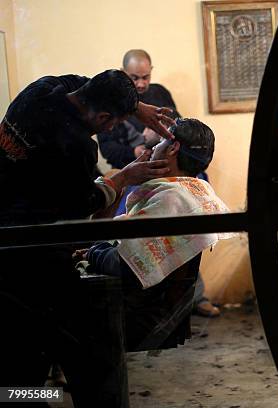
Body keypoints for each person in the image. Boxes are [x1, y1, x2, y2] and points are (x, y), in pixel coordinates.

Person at [0, 69, 174, 406]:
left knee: (17, 357)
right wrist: (122, 178)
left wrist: (136, 106)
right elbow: (85, 204)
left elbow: (85, 79)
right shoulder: (76, 148)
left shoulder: (42, 88)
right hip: (25, 254)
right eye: (112, 123)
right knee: (37, 359)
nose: (109, 130)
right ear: (103, 116)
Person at [84, 118, 233, 348]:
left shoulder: (171, 197)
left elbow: (122, 265)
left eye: (161, 140)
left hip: (139, 311)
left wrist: (91, 253)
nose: (153, 147)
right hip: (153, 304)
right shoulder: (197, 190)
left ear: (173, 147)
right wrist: (123, 180)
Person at [98, 49, 180, 169]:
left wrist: (164, 131)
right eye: (134, 78)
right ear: (123, 72)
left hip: (162, 168)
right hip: (127, 170)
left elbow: (180, 129)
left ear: (151, 70)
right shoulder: (111, 100)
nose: (141, 84)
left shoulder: (161, 93)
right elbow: (107, 148)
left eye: (145, 77)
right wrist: (135, 152)